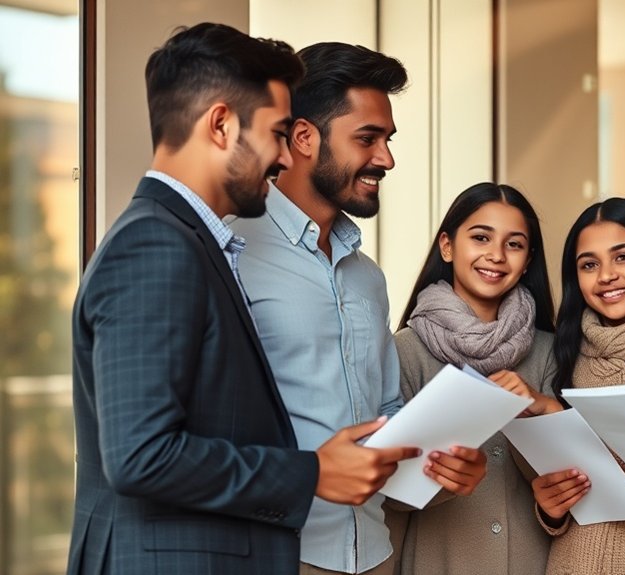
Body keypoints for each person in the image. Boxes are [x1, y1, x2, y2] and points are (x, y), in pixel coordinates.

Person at [68, 23, 419, 575]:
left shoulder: (193, 240)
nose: (284, 157)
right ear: (222, 124)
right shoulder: (155, 244)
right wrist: (312, 474)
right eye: (278, 132)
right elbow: (138, 456)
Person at [230, 43, 486, 575]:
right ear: (303, 137)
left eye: (387, 140)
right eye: (367, 139)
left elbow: (386, 412)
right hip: (279, 554)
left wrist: (439, 464)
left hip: (374, 553)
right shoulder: (233, 255)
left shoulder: (367, 277)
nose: (386, 159)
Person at [385, 182, 559, 574]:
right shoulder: (405, 350)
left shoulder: (549, 351)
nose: (496, 256)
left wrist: (541, 411)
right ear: (447, 246)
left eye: (514, 244)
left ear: (528, 259)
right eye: (481, 237)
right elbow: (389, 487)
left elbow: (566, 479)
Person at [531, 198, 625, 574]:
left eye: (623, 257)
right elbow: (556, 497)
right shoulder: (560, 356)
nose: (606, 276)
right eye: (589, 264)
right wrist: (549, 509)